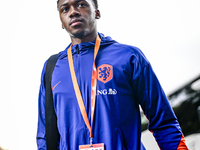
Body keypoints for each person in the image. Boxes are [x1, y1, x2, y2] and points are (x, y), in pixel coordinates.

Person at [36, 0, 188, 149]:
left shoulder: (129, 57)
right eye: (65, 9)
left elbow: (163, 121)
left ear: (97, 12)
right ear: (61, 22)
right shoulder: (52, 68)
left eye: (81, 4)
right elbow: (45, 136)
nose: (73, 12)